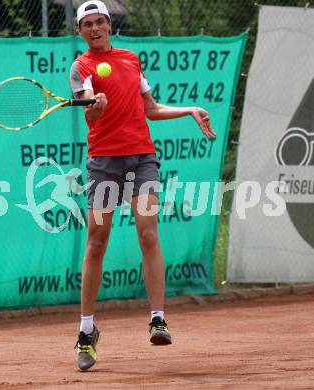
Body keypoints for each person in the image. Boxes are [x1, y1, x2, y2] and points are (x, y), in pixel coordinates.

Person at [70, 0, 216, 371]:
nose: (95, 28)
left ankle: (157, 318)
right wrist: (96, 106)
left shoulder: (131, 60)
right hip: (104, 163)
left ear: (109, 24)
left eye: (100, 21)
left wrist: (188, 109)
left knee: (148, 235)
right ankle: (87, 331)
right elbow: (88, 110)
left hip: (142, 159)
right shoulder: (82, 66)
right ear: (80, 31)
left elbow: (149, 108)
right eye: (87, 24)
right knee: (96, 242)